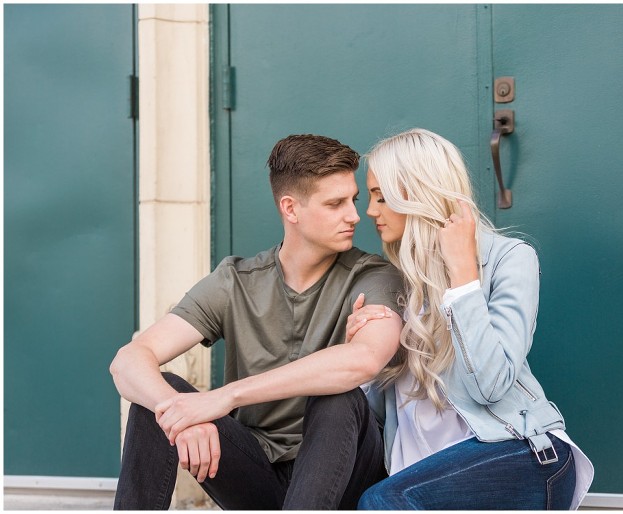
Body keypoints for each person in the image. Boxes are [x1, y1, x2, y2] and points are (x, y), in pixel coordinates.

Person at [110, 134, 404, 510]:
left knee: (338, 399)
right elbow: (129, 360)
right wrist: (180, 412)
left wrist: (223, 397)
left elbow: (363, 360)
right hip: (257, 471)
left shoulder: (373, 275)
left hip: (342, 472)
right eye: (335, 204)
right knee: (158, 396)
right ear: (290, 208)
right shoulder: (236, 281)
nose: (354, 215)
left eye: (353, 200)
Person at [346, 128, 594, 509]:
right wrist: (363, 358)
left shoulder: (509, 258)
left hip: (518, 454)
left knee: (382, 501)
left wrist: (463, 278)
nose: (370, 211)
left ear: (415, 194)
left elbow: (490, 385)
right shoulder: (396, 278)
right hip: (422, 474)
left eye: (381, 196)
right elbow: (381, 413)